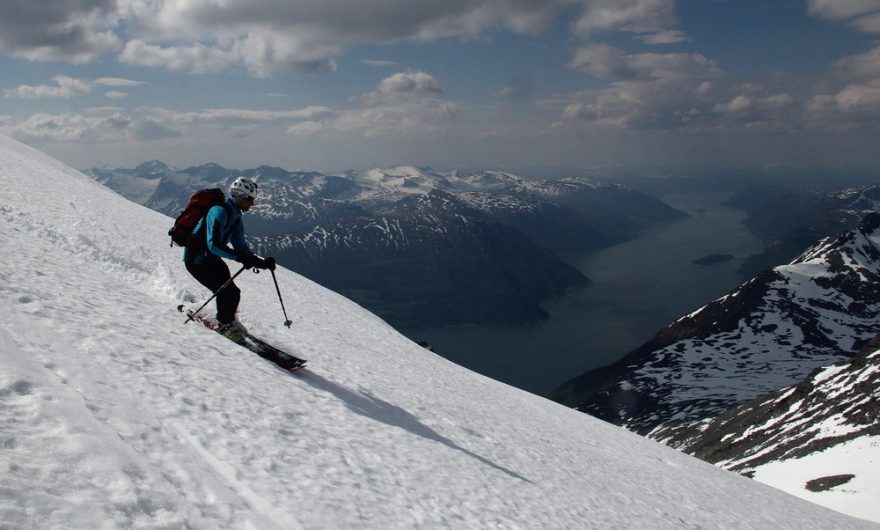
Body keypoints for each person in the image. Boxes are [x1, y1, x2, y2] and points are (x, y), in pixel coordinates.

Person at [184, 176, 275, 341]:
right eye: (249, 199)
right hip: (196, 261)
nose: (252, 204)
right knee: (225, 292)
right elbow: (214, 245)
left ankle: (228, 320)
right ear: (239, 196)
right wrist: (241, 258)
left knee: (233, 292)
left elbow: (240, 246)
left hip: (211, 260)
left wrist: (259, 262)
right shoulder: (218, 211)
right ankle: (224, 325)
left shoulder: (235, 217)